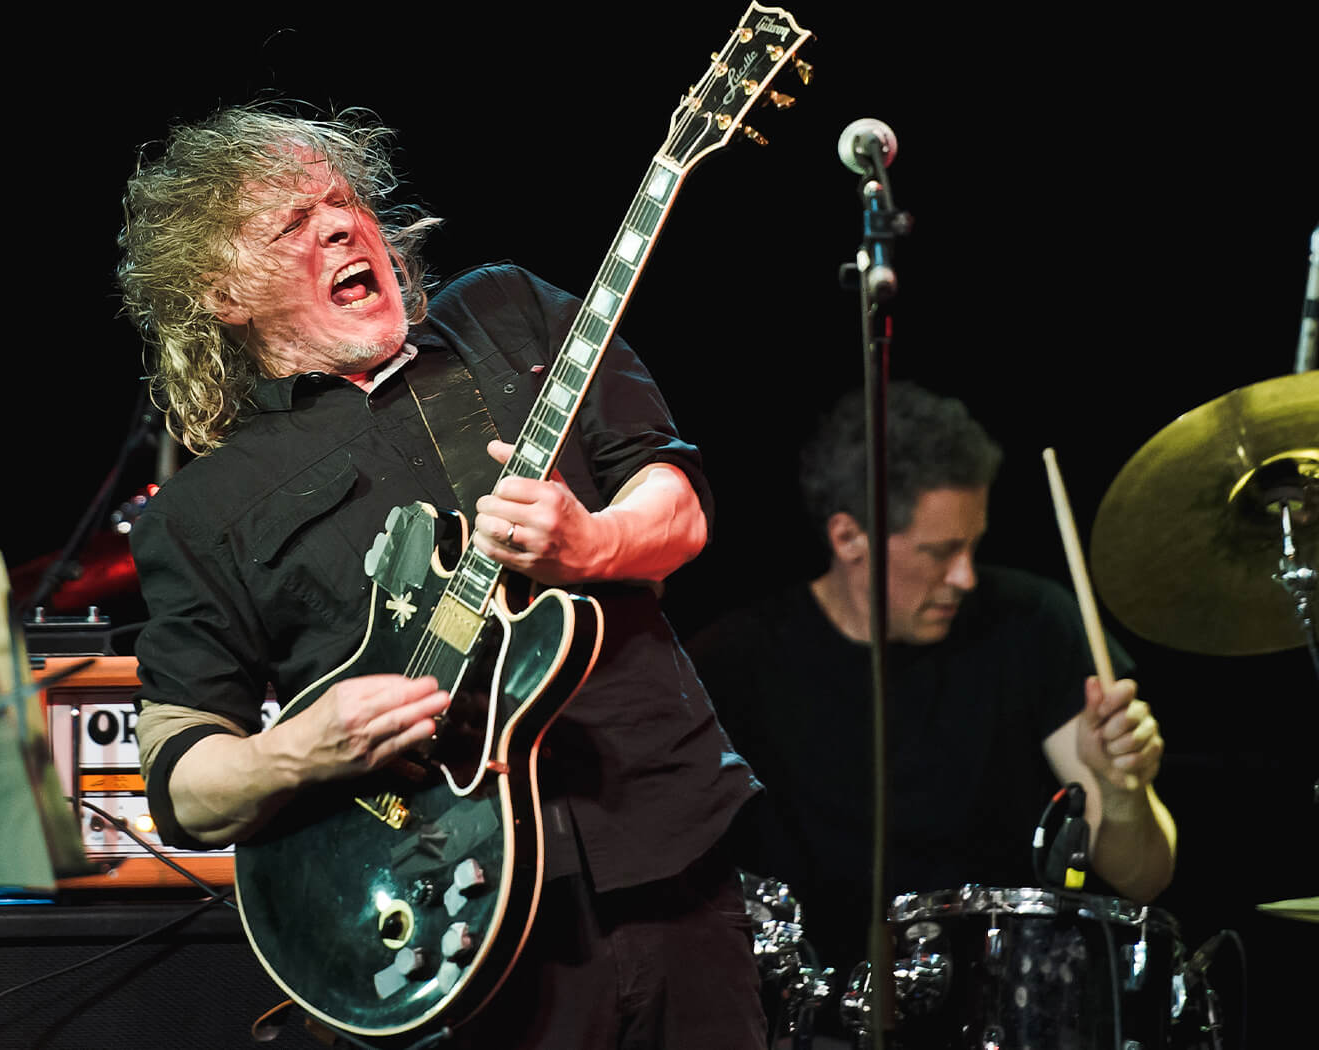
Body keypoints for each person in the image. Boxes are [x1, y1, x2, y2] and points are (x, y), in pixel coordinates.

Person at [117, 104, 764, 1050]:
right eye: (292, 225)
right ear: (224, 294)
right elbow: (181, 778)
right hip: (444, 921)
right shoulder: (204, 508)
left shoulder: (508, 314)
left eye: (343, 203)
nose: (341, 226)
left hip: (664, 852)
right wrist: (300, 750)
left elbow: (679, 502)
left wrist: (593, 543)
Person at [687, 381, 1177, 1040]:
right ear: (848, 537)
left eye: (973, 546)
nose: (966, 577)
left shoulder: (1035, 623)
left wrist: (1121, 793)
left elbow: (1142, 880)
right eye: (941, 551)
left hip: (1001, 1017)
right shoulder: (731, 664)